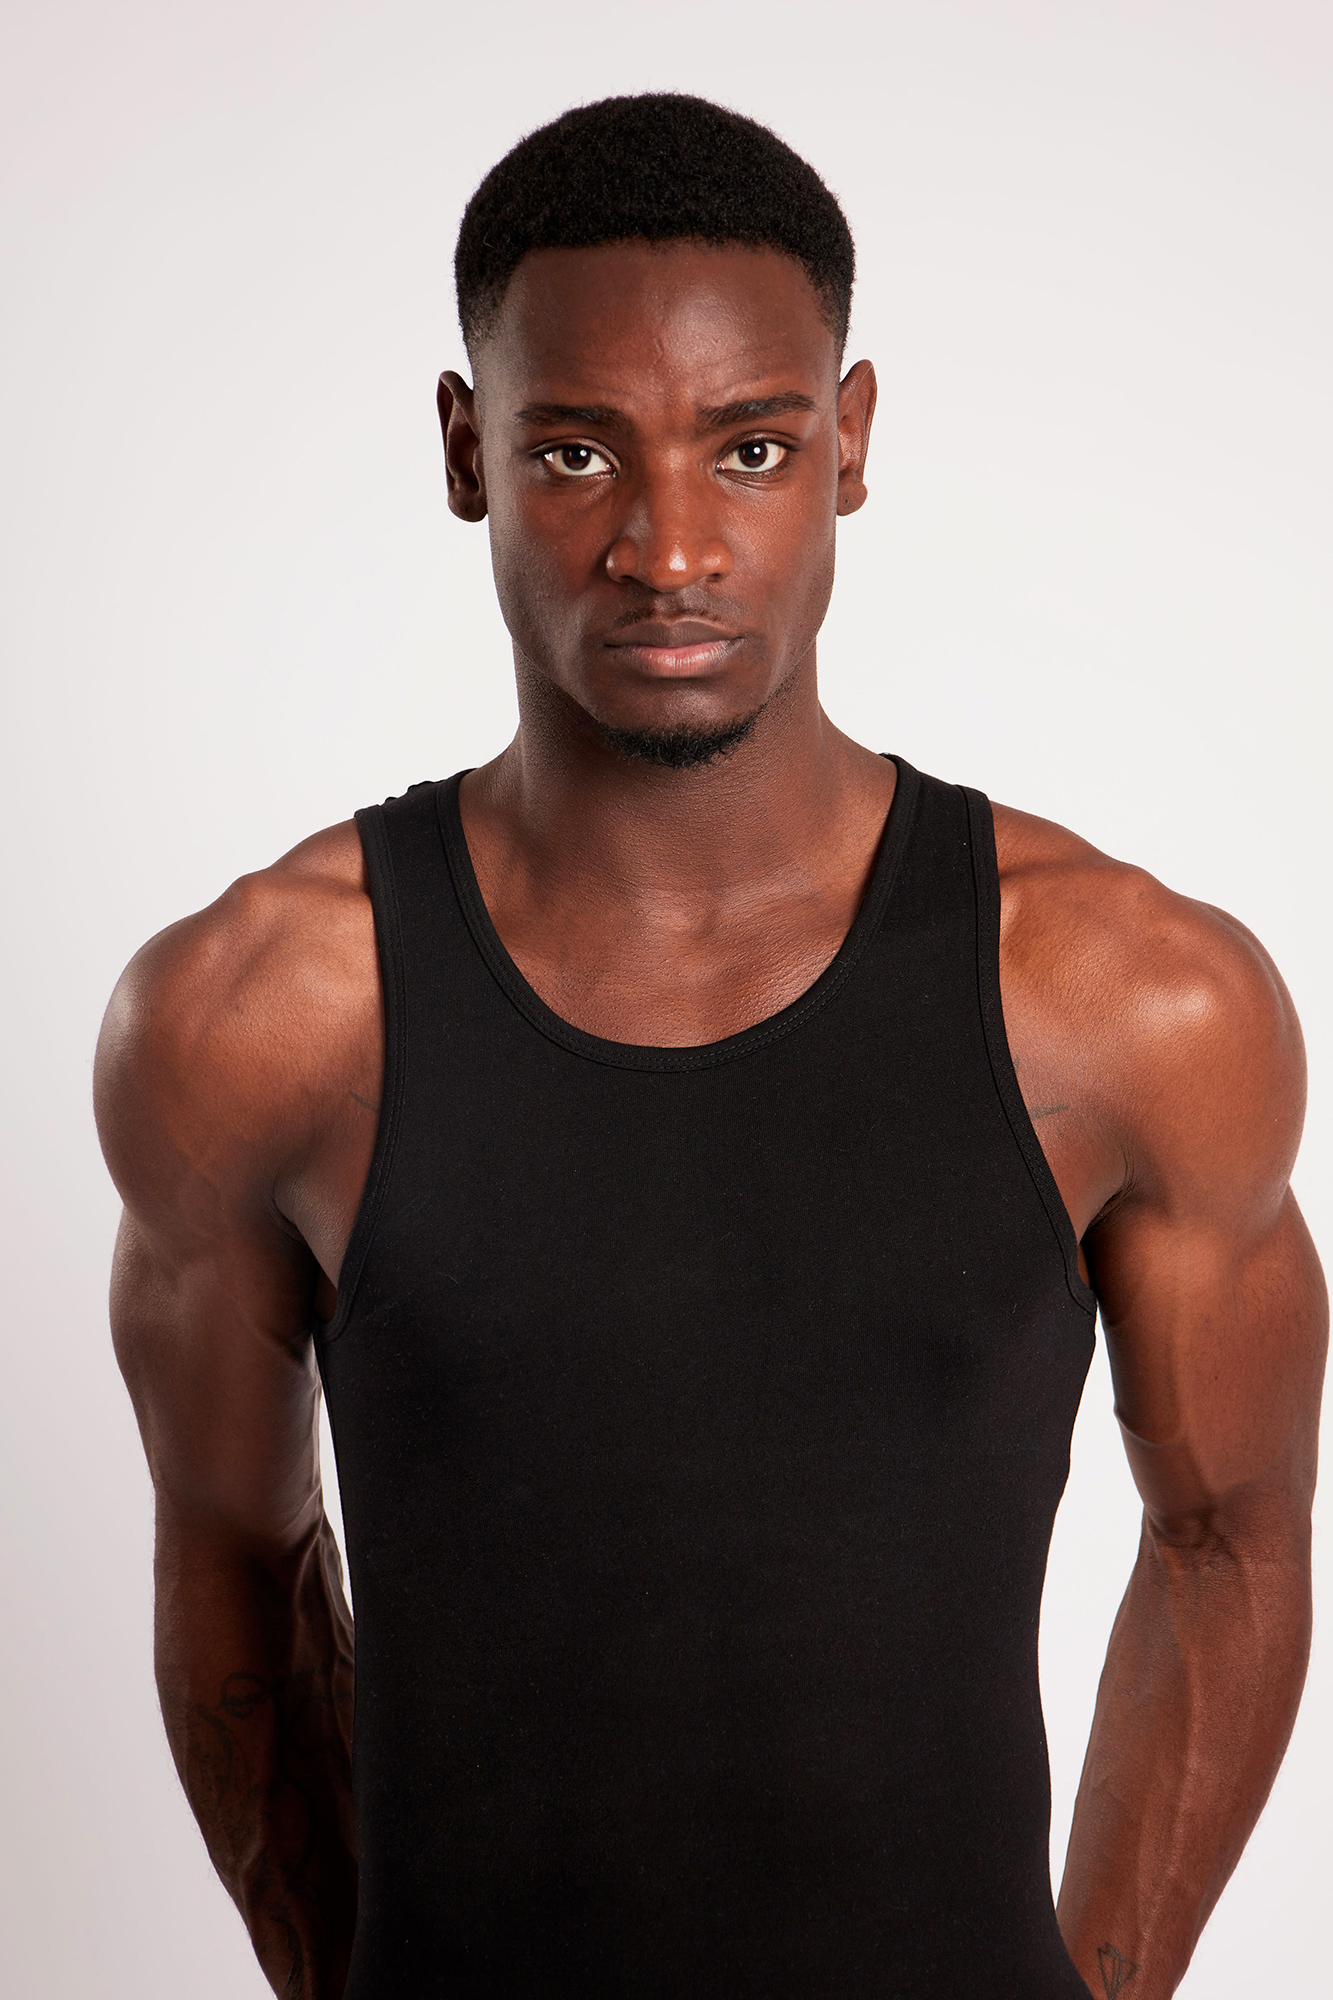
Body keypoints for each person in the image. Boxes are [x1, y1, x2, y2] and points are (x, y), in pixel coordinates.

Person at [94, 93, 1325, 2000]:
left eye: (746, 447)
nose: (667, 549)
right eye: (576, 449)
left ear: (843, 447)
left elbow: (1233, 1538)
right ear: (463, 451)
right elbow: (238, 1571)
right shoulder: (259, 1011)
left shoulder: (1123, 997)